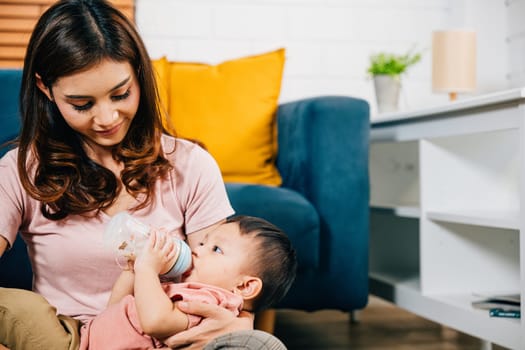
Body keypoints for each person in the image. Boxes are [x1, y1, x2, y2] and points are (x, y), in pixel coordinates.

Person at [0, 0, 287, 349]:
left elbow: (223, 281)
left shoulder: (189, 165)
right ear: (45, 88)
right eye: (82, 104)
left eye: (121, 94)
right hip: (69, 339)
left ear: (138, 73)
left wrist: (231, 327)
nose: (107, 118)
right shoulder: (21, 172)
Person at [79, 215, 297, 349]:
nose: (197, 249)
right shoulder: (186, 291)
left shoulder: (210, 301)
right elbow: (113, 311)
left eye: (216, 249)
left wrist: (147, 269)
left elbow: (155, 323)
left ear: (244, 287)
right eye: (202, 242)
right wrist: (133, 269)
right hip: (85, 336)